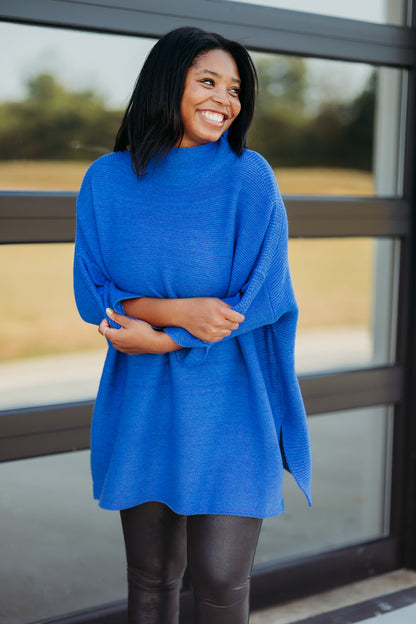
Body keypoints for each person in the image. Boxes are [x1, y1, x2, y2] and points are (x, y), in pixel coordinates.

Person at [73, 25, 311, 624]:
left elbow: (261, 296)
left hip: (230, 402)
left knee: (221, 583)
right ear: (166, 83)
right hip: (144, 403)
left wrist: (161, 337)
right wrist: (175, 316)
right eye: (208, 81)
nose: (225, 100)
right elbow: (91, 292)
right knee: (150, 581)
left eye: (235, 89)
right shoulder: (106, 179)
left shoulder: (248, 177)